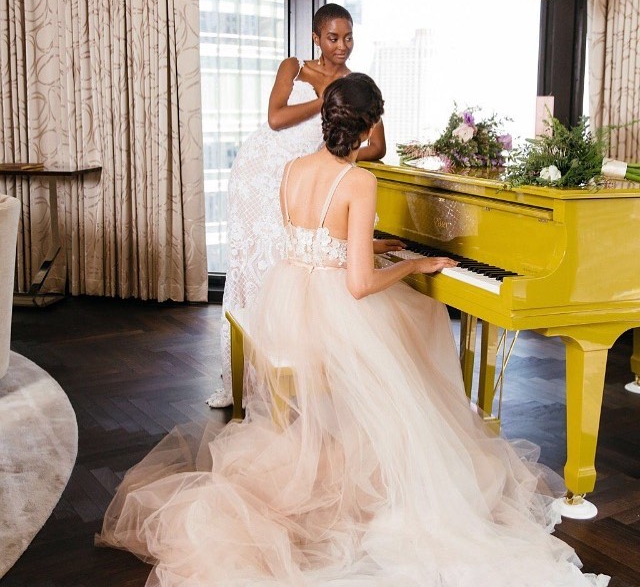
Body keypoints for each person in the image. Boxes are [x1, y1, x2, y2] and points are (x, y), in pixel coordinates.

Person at [98, 73, 609, 586]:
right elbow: (360, 285)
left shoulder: (292, 168)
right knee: (424, 317)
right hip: (331, 309)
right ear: (367, 129)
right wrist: (415, 265)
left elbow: (317, 238)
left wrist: (377, 245)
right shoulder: (360, 181)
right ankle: (417, 449)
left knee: (410, 321)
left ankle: (376, 445)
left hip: (288, 298)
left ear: (328, 118)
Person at [208, 2, 388, 408]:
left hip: (307, 176)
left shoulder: (357, 87)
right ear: (315, 38)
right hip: (258, 177)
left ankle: (295, 375)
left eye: (348, 37)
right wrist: (325, 101)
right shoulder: (293, 67)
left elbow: (377, 146)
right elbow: (275, 118)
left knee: (290, 269)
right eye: (333, 38)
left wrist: (337, 156)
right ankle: (239, 378)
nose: (342, 46)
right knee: (250, 271)